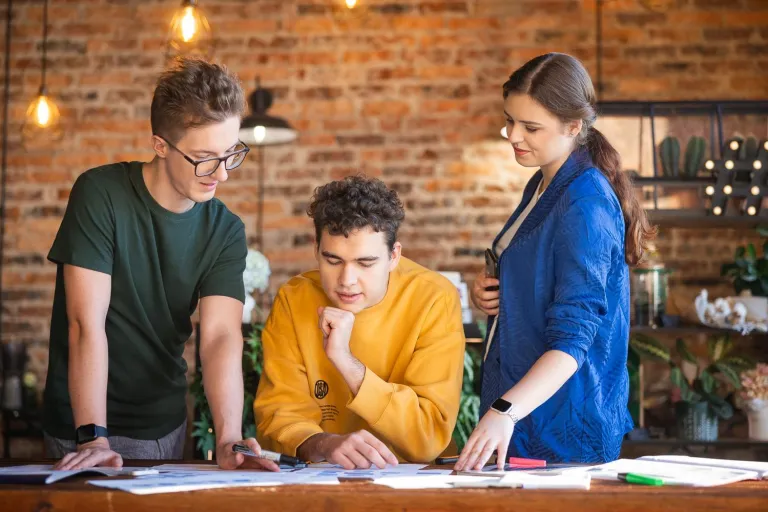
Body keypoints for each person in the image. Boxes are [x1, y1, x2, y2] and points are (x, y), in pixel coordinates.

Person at [43, 57, 278, 472]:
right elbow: (85, 323)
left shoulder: (225, 230)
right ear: (160, 146)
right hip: (79, 423)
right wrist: (92, 436)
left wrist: (228, 437)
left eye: (230, 154)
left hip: (160, 424)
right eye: (205, 158)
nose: (221, 174)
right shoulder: (101, 194)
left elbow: (221, 336)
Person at [455, 53, 656, 471]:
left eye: (531, 127)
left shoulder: (585, 204)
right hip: (528, 414)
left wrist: (504, 410)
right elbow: (540, 276)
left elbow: (572, 343)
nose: (512, 135)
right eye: (510, 120)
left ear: (573, 126)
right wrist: (493, 291)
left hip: (562, 429)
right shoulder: (543, 181)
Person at [254, 176, 466, 469]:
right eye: (332, 260)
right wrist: (326, 444)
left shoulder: (434, 297)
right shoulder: (294, 299)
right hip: (317, 478)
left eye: (366, 263)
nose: (347, 281)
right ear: (316, 249)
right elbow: (279, 417)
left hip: (413, 478)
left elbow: (427, 437)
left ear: (394, 256)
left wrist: (345, 361)